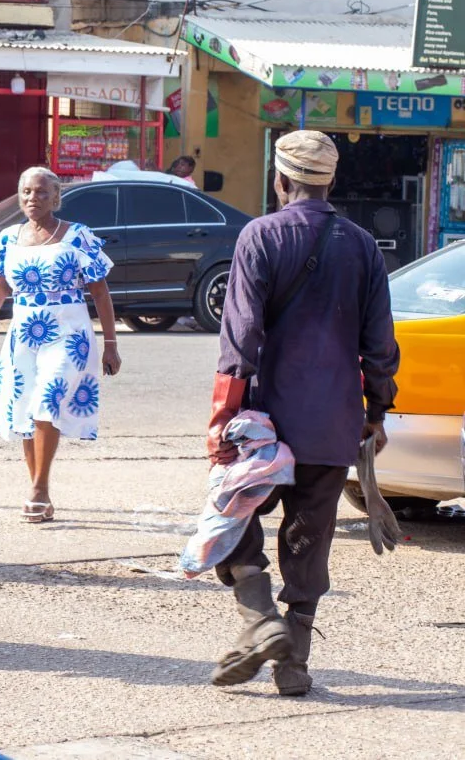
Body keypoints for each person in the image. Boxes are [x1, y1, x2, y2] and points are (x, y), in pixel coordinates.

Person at [206, 129, 399, 695]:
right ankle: (294, 663)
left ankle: (261, 619)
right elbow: (380, 345)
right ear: (330, 181)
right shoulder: (363, 245)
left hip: (265, 420)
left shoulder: (258, 236)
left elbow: (239, 337)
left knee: (230, 514)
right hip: (333, 419)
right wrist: (377, 411)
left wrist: (222, 417)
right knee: (309, 537)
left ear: (280, 179)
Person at [0, 167, 122, 522]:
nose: (33, 199)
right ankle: (39, 488)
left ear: (56, 197)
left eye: (42, 192)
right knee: (27, 410)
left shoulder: (78, 236)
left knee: (48, 401)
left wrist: (110, 343)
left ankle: (38, 489)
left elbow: (100, 291)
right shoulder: (8, 238)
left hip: (69, 333)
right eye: (27, 192)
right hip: (24, 333)